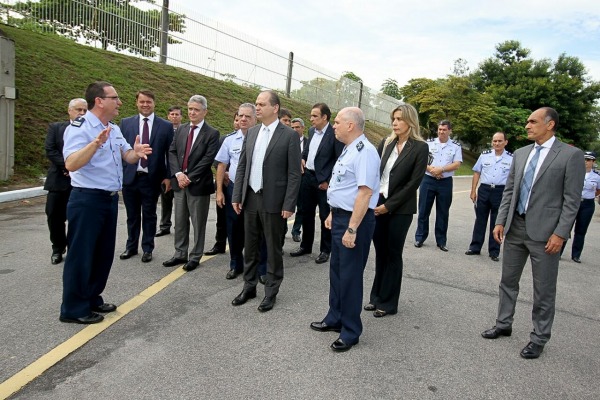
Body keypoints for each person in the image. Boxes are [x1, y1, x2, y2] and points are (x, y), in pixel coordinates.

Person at [481, 107, 585, 359]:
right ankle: (503, 323)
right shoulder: (520, 153)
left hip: (547, 234)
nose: (527, 126)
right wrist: (500, 221)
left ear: (550, 125)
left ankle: (539, 338)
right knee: (508, 281)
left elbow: (572, 200)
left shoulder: (571, 155)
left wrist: (560, 233)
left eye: (533, 121)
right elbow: (510, 191)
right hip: (515, 228)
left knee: (544, 289)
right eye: (527, 122)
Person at [60, 81, 152, 324]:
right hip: (87, 199)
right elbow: (71, 164)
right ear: (99, 101)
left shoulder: (112, 127)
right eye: (115, 98)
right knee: (81, 254)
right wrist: (95, 144)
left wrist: (136, 152)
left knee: (102, 254)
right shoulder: (79, 128)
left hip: (109, 199)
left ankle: (91, 298)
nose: (119, 102)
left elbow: (127, 156)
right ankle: (73, 308)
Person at [310, 107, 380, 352]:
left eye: (338, 122)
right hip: (341, 216)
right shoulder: (349, 149)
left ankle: (350, 331)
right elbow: (343, 185)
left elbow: (365, 192)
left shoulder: (365, 152)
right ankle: (335, 317)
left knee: (350, 277)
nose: (335, 126)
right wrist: (332, 212)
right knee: (337, 272)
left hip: (355, 221)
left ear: (351, 125)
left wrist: (351, 229)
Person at [231, 90, 301, 312]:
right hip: (250, 198)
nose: (257, 107)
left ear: (275, 108)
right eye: (256, 104)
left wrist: (289, 204)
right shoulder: (251, 133)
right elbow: (242, 165)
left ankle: (271, 291)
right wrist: (237, 196)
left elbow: (294, 174)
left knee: (272, 249)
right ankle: (249, 286)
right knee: (249, 248)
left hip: (274, 201)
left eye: (261, 104)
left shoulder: (288, 135)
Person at [364, 104, 429, 318]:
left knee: (393, 254)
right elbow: (374, 172)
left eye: (399, 119)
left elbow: (413, 184)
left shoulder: (420, 148)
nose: (395, 123)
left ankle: (389, 303)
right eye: (393, 118)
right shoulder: (386, 143)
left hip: (400, 209)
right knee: (380, 253)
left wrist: (388, 206)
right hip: (378, 202)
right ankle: (376, 297)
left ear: (410, 121)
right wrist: (374, 201)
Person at [163, 95, 220, 271]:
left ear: (205, 111)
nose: (192, 112)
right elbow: (172, 151)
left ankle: (195, 256)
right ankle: (180, 253)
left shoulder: (212, 133)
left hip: (198, 185)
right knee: (180, 220)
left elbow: (207, 159)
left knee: (198, 222)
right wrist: (179, 174)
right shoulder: (181, 129)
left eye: (196, 109)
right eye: (189, 109)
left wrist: (189, 177)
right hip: (179, 183)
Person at [119, 90, 173, 263]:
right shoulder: (126, 123)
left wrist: (168, 176)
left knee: (149, 214)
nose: (145, 105)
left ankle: (147, 248)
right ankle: (131, 247)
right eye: (142, 101)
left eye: (148, 101)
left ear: (154, 103)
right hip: (130, 177)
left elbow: (170, 153)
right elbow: (120, 149)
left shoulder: (165, 126)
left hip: (152, 178)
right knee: (132, 215)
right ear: (136, 102)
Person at [291, 103, 344, 264]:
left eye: (315, 116)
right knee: (306, 212)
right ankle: (305, 246)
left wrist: (328, 181)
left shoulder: (334, 134)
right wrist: (302, 158)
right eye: (311, 115)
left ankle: (325, 249)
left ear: (324, 117)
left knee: (324, 216)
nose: (311, 119)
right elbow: (308, 150)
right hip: (307, 177)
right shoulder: (312, 131)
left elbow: (339, 159)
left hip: (323, 182)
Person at [43, 98, 87, 265]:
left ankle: (74, 248)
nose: (82, 113)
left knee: (78, 217)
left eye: (85, 110)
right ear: (70, 111)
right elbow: (50, 150)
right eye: (78, 110)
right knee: (54, 215)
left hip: (81, 181)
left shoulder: (90, 130)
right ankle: (57, 247)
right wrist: (68, 166)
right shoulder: (56, 128)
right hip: (59, 180)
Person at [414, 120, 462, 251]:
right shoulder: (428, 144)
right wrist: (432, 170)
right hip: (428, 179)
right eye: (440, 129)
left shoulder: (456, 146)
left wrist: (442, 170)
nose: (441, 132)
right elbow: (421, 160)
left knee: (443, 212)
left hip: (445, 182)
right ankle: (420, 237)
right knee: (423, 210)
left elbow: (457, 164)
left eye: (444, 130)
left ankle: (441, 241)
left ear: (450, 131)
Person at [465, 132, 512, 262]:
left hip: (500, 191)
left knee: (497, 222)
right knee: (480, 220)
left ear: (505, 142)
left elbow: (512, 179)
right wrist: (473, 190)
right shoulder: (484, 156)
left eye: (500, 141)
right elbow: (477, 173)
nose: (497, 143)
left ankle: (494, 251)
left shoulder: (511, 158)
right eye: (494, 141)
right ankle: (475, 247)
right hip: (485, 189)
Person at [205, 113, 238, 256]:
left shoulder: (252, 138)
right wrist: (223, 173)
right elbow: (217, 160)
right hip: (224, 183)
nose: (238, 122)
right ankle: (219, 243)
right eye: (236, 119)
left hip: (238, 183)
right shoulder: (225, 139)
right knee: (222, 215)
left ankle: (236, 247)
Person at [566, 151, 600, 263]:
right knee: (565, 228)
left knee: (581, 230)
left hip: (587, 204)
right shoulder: (574, 173)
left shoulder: (596, 177)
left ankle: (576, 255)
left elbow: (598, 191)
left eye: (589, 160)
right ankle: (558, 252)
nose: (586, 162)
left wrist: (587, 197)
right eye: (584, 159)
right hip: (573, 202)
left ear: (593, 162)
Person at [156, 105, 183, 237]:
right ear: (168, 116)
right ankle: (165, 226)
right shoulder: (163, 130)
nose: (174, 117)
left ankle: (180, 227)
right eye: (172, 114)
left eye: (177, 114)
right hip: (165, 172)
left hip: (180, 173)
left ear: (181, 117)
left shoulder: (185, 131)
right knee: (165, 200)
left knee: (180, 202)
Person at [290, 117, 306, 242]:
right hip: (289, 180)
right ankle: (281, 232)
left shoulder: (308, 143)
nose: (294, 130)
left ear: (303, 128)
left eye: (297, 127)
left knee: (301, 207)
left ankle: (296, 231)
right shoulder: (287, 140)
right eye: (292, 128)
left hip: (303, 180)